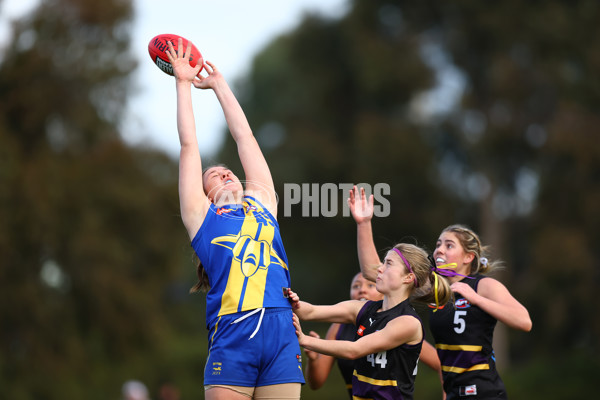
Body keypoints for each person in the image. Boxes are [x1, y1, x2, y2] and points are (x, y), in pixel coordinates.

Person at [166, 38, 304, 399]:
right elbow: (189, 146)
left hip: (281, 332)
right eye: (215, 175)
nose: (226, 174)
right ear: (205, 193)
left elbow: (245, 137)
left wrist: (219, 85)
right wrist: (183, 83)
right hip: (233, 331)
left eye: (229, 172)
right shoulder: (202, 217)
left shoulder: (263, 203)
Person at [348, 185, 532, 399]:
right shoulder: (436, 288)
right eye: (438, 244)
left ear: (468, 257)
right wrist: (363, 223)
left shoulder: (482, 286)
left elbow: (524, 321)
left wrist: (476, 299)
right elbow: (373, 272)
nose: (439, 250)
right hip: (453, 393)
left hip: (484, 392)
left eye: (449, 245)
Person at [288, 241, 452, 400]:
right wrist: (290, 299)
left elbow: (354, 350)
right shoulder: (363, 309)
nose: (380, 269)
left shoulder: (408, 322)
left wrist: (305, 340)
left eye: (388, 264)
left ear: (408, 277)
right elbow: (311, 311)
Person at [304, 272, 384, 398]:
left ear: (385, 291)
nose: (362, 290)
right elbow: (316, 384)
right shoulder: (338, 326)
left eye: (370, 285)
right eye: (356, 286)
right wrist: (313, 359)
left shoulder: (396, 322)